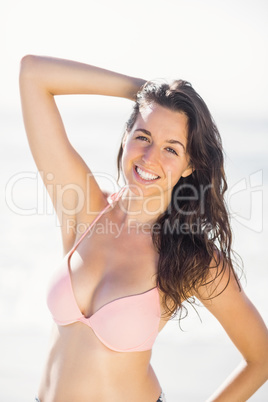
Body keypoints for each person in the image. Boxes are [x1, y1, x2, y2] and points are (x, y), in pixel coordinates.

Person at [19, 55, 268, 402]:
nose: (150, 157)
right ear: (125, 137)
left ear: (188, 165)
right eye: (144, 136)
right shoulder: (82, 208)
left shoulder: (189, 256)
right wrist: (144, 92)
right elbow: (33, 73)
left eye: (171, 148)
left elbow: (261, 359)